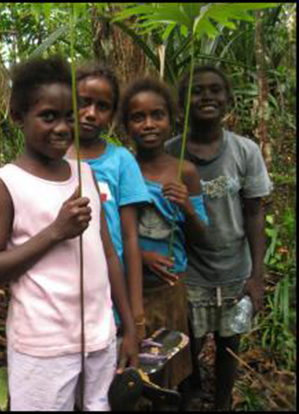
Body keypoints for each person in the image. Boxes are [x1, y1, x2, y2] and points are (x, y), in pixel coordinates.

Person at [0, 55, 138, 411]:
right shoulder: (7, 183)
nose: (63, 128)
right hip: (43, 346)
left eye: (69, 116)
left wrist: (127, 326)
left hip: (99, 336)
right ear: (18, 117)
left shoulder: (86, 174)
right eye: (48, 116)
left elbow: (108, 254)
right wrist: (55, 232)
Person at [165, 65, 272, 410]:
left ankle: (223, 401)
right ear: (182, 104)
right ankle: (190, 395)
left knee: (229, 345)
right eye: (197, 91)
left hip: (234, 271)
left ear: (227, 100)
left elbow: (255, 213)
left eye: (215, 90)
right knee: (187, 347)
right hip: (189, 273)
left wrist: (257, 276)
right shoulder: (169, 152)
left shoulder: (245, 151)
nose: (207, 97)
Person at [119, 77, 208, 404]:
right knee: (133, 368)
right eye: (138, 117)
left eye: (157, 115)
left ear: (171, 119)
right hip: (130, 288)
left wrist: (186, 206)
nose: (149, 124)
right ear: (126, 124)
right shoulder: (121, 167)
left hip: (171, 288)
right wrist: (141, 256)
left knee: (169, 369)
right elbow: (111, 232)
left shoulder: (185, 171)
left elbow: (201, 237)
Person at [66, 63, 151, 342]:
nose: (91, 113)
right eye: (84, 102)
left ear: (112, 115)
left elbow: (129, 237)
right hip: (63, 293)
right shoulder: (53, 159)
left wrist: (136, 312)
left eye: (102, 107)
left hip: (111, 293)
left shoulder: (120, 161)